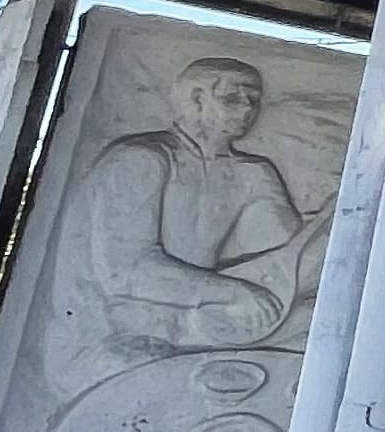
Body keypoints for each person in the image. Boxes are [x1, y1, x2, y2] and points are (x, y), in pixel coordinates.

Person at [73, 57, 308, 358]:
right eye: (232, 98)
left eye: (253, 100)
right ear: (197, 100)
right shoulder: (140, 160)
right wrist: (232, 292)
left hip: (202, 330)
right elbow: (123, 272)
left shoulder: (253, 173)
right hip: (120, 335)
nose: (247, 109)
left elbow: (287, 258)